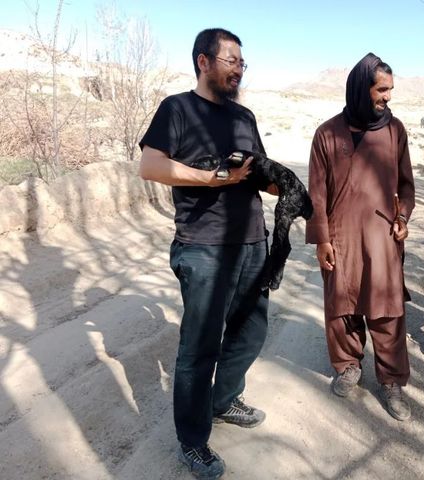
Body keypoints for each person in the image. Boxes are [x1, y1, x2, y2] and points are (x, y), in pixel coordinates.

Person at [139, 28, 274, 479]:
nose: (239, 70)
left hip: (252, 240)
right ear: (203, 61)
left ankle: (223, 401)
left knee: (250, 333)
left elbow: (259, 172)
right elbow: (151, 165)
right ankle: (193, 440)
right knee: (199, 349)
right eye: (231, 61)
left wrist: (283, 184)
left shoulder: (244, 116)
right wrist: (214, 178)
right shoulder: (177, 108)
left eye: (242, 63)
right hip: (203, 247)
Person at [306, 53, 415, 421]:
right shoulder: (327, 133)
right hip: (340, 238)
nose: (388, 96)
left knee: (387, 310)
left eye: (390, 89)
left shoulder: (394, 130)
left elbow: (406, 186)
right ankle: (348, 365)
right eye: (381, 89)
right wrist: (322, 239)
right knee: (343, 305)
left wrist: (402, 217)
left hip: (382, 237)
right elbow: (316, 194)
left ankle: (391, 381)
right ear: (360, 88)